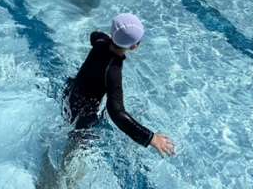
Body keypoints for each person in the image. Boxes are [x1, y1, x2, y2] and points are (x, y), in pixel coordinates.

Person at [64, 13, 175, 156]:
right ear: (134, 46)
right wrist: (151, 138)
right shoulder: (113, 71)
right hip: (84, 114)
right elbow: (116, 113)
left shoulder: (101, 41)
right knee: (76, 150)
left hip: (70, 93)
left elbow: (94, 35)